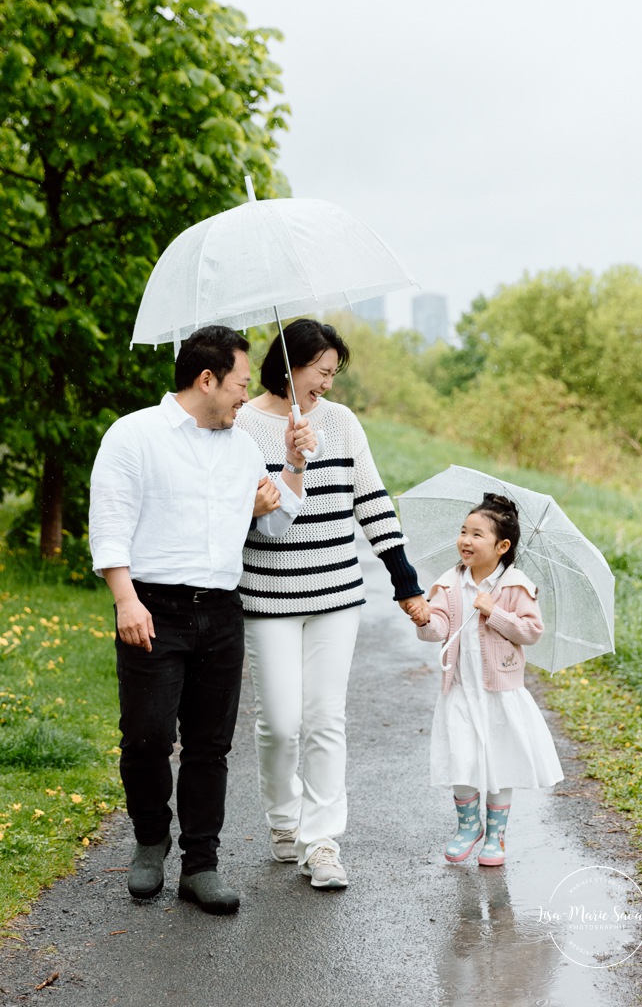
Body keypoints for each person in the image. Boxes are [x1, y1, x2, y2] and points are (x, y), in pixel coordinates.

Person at [88, 325, 315, 914]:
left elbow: (275, 524)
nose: (247, 396)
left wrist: (291, 465)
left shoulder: (240, 446)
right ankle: (149, 840)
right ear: (206, 379)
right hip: (152, 606)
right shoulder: (134, 435)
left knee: (210, 746)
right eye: (241, 384)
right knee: (147, 737)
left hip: (219, 610)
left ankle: (201, 863)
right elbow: (110, 520)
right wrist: (125, 598)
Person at [236, 318, 430, 889]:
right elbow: (242, 514)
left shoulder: (342, 423)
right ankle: (282, 819)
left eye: (332, 374)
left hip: (336, 594)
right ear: (291, 365)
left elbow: (372, 501)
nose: (326, 384)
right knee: (280, 722)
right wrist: (291, 462)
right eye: (321, 372)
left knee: (324, 718)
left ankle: (321, 842)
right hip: (267, 594)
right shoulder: (243, 425)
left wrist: (405, 580)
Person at [408, 493, 563, 866]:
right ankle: (467, 827)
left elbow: (530, 631)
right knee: (461, 757)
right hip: (460, 689)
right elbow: (441, 627)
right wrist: (426, 619)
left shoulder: (515, 586)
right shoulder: (450, 583)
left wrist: (495, 613)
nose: (465, 540)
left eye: (477, 535)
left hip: (499, 692)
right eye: (463, 532)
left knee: (499, 760)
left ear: (502, 546)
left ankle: (495, 836)